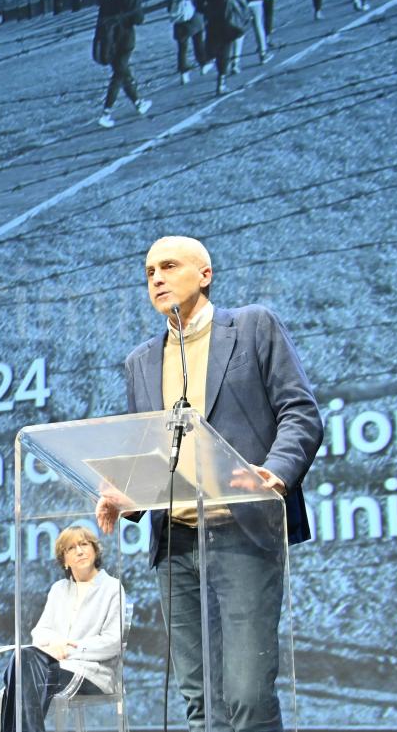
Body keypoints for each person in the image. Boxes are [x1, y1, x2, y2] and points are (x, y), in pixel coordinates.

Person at [97, 236, 323, 732]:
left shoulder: (252, 326)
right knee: (200, 703)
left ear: (205, 274)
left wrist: (276, 473)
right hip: (176, 546)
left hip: (241, 529)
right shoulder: (141, 360)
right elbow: (151, 450)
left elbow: (300, 412)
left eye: (169, 266)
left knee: (246, 696)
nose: (156, 278)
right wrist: (127, 494)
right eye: (149, 271)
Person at [0, 526, 125, 732]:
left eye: (84, 544)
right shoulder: (59, 589)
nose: (79, 551)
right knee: (22, 658)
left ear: (95, 551)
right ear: (65, 560)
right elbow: (40, 632)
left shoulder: (112, 587)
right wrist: (55, 644)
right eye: (71, 548)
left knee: (20, 675)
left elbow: (113, 642)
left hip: (92, 674)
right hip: (55, 667)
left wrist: (69, 649)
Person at [93, 0, 151, 128]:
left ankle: (138, 103)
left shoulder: (109, 1)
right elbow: (139, 19)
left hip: (110, 45)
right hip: (125, 42)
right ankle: (106, 113)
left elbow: (100, 25)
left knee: (123, 73)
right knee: (119, 76)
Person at [168, 0, 207, 86]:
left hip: (179, 20)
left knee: (182, 48)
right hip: (194, 17)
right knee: (198, 41)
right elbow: (200, 0)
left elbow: (169, 6)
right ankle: (203, 64)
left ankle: (184, 73)